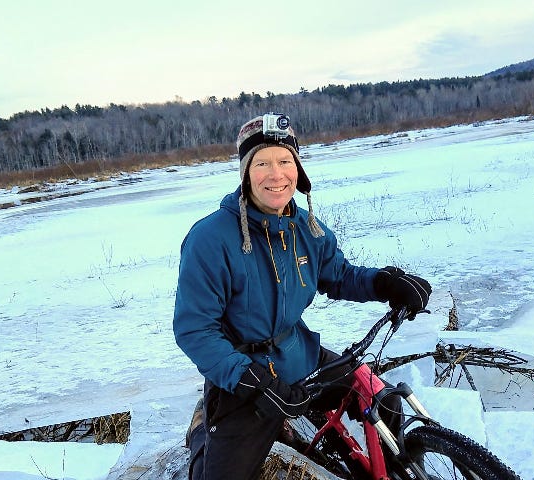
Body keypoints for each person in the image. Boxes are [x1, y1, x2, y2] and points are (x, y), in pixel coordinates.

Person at [173, 113, 432, 480]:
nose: (276, 174)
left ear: (297, 168)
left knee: (385, 400)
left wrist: (384, 284)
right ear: (246, 173)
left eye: (284, 161)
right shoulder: (210, 240)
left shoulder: (307, 229)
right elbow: (195, 330)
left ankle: (400, 472)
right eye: (261, 163)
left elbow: (339, 276)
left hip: (302, 356)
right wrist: (250, 380)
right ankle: (202, 429)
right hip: (245, 379)